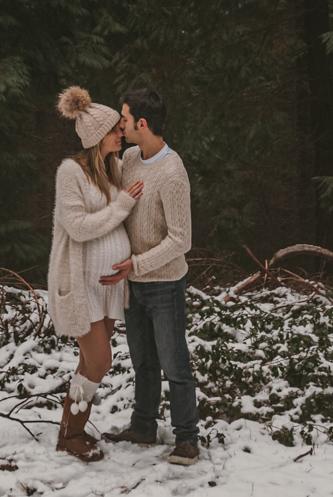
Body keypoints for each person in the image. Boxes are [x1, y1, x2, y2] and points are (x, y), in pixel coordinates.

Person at [98, 87, 199, 466]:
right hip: (132, 282)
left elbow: (181, 240)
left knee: (174, 364)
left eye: (124, 119)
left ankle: (187, 438)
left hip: (164, 284)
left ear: (142, 123)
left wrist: (137, 265)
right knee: (142, 361)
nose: (120, 126)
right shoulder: (129, 157)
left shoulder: (173, 173)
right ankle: (143, 426)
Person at [48, 86, 144, 462]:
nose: (121, 134)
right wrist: (122, 205)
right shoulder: (70, 172)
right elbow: (79, 227)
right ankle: (71, 432)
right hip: (81, 284)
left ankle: (69, 431)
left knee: (89, 363)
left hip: (107, 286)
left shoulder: (111, 167)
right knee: (100, 361)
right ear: (96, 136)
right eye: (115, 130)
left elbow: (140, 155)